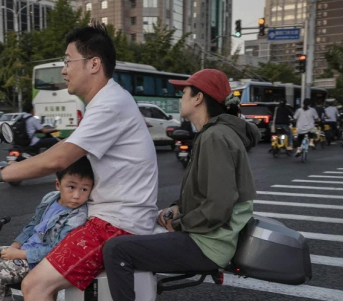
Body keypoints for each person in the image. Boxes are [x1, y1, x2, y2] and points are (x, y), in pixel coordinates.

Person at [0, 22, 158, 301]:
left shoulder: (110, 103)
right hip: (109, 218)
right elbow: (64, 146)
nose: (63, 69)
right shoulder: (107, 101)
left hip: (117, 225)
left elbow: (60, 158)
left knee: (36, 286)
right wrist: (5, 167)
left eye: (67, 61)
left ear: (94, 64)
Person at [102, 69, 260, 301]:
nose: (180, 99)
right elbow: (208, 192)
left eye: (184, 92)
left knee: (116, 250)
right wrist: (177, 208)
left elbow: (219, 205)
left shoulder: (215, 137)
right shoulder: (214, 134)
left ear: (198, 98)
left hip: (208, 243)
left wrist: (179, 224)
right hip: (209, 237)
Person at [0, 157, 93, 301]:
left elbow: (57, 250)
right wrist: (15, 246)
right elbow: (33, 225)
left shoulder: (77, 216)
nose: (77, 196)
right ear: (58, 184)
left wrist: (20, 254)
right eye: (71, 187)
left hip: (41, 261)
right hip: (27, 250)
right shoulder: (50, 199)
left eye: (84, 189)